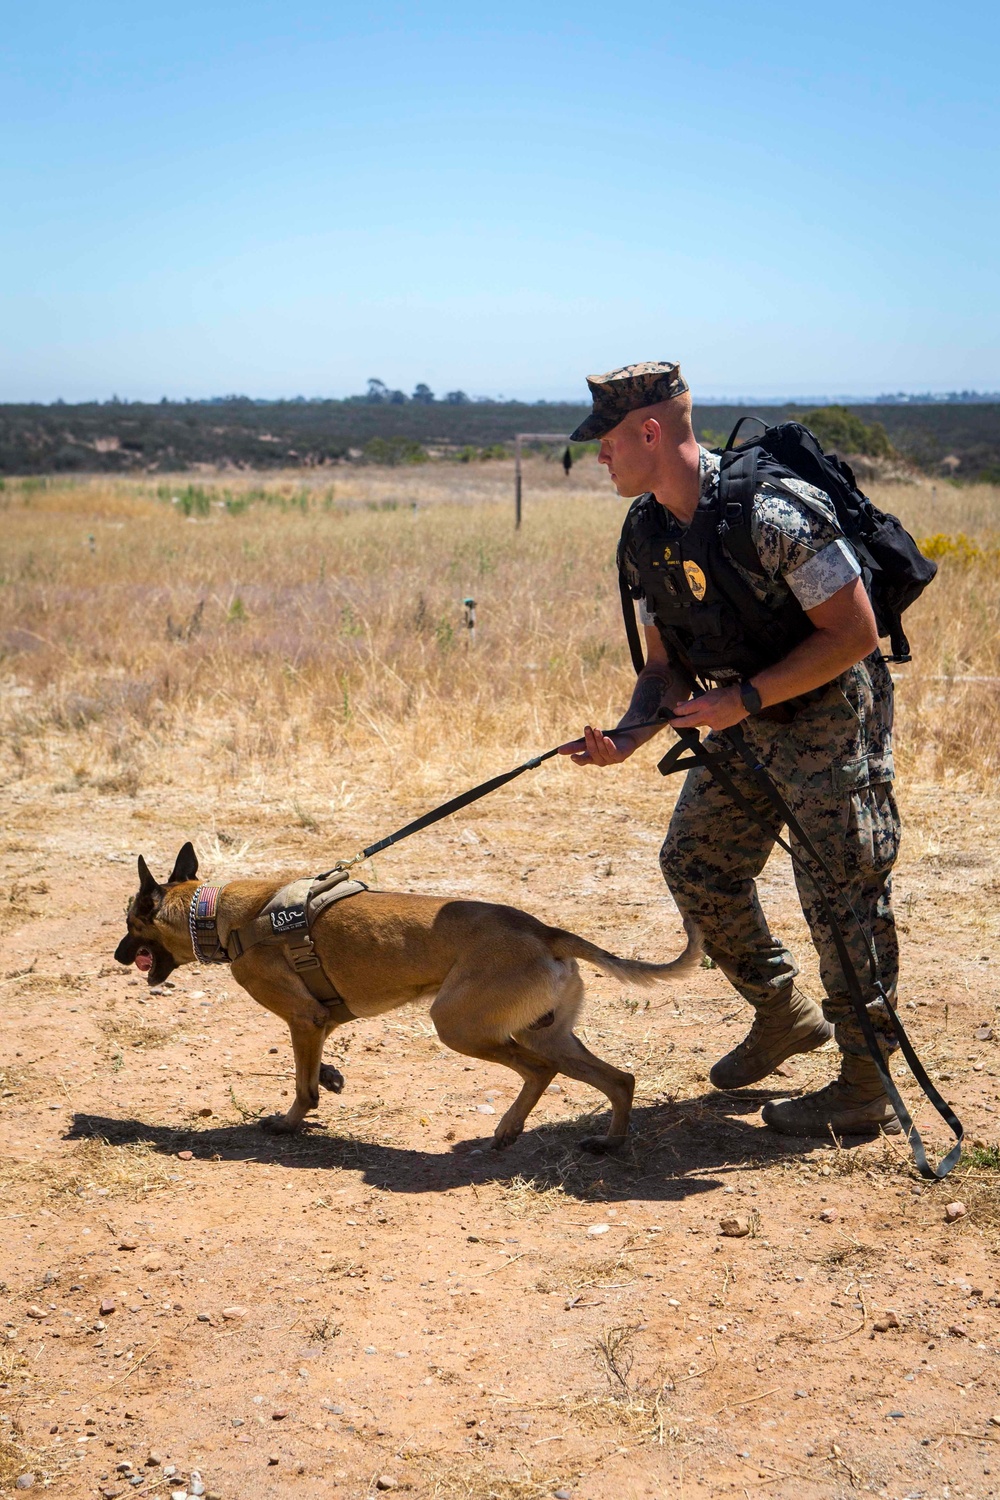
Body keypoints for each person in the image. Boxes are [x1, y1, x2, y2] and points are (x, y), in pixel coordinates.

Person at [558, 361, 901, 1137]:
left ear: (650, 431)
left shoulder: (774, 511)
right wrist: (629, 736)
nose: (600, 458)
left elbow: (855, 634)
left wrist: (743, 699)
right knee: (697, 863)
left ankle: (863, 1081)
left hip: (827, 718)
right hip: (738, 721)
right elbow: (660, 666)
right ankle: (784, 1015)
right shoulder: (644, 532)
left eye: (607, 442)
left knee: (840, 894)